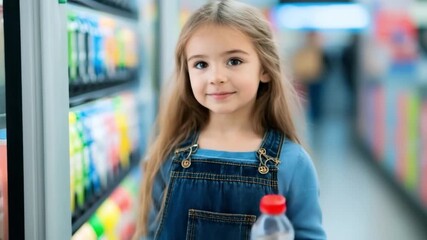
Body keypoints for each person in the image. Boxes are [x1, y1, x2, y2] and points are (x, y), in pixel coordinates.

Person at [133, 1, 326, 239]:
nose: (216, 77)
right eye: (201, 64)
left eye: (234, 61)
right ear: (187, 73)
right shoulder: (168, 154)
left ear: (264, 69)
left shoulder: (293, 163)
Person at [292, 31, 331, 123]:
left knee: (316, 99)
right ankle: (312, 117)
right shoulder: (303, 51)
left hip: (317, 79)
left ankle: (316, 117)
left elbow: (325, 66)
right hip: (307, 79)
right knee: (307, 99)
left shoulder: (319, 51)